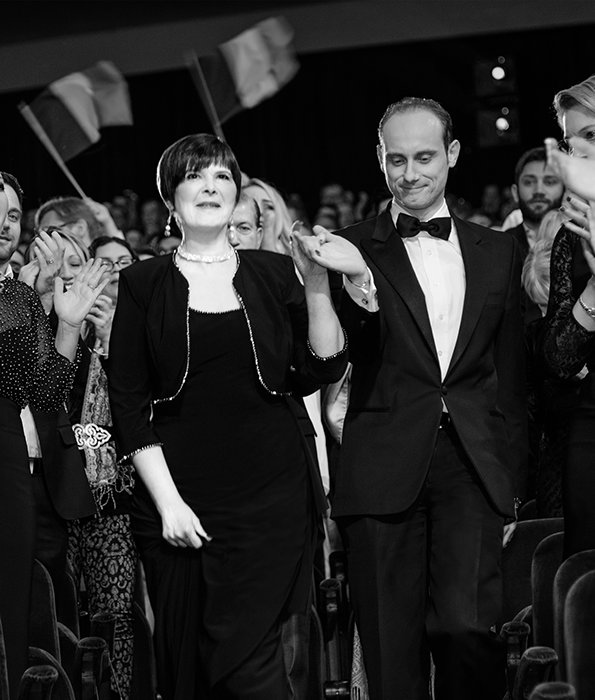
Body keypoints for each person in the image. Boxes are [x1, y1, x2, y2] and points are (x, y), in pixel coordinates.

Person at [301, 97, 527, 700]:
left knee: (467, 630)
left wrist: (510, 482)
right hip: (381, 467)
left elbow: (509, 379)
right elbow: (334, 358)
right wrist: (355, 278)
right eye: (396, 159)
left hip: (472, 467)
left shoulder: (498, 250)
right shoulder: (345, 248)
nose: (410, 173)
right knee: (390, 651)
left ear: (452, 154)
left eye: (424, 157)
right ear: (379, 159)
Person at [107, 133, 347, 699]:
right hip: (181, 502)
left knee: (255, 670)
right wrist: (168, 503)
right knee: (192, 668)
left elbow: (318, 369)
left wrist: (316, 284)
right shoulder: (142, 283)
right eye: (195, 175)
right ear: (171, 197)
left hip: (273, 500)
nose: (210, 186)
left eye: (221, 176)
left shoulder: (272, 272)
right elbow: (128, 404)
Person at [0, 171, 109, 697]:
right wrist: (26, 295)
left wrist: (66, 324)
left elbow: (44, 393)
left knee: (23, 608)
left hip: (17, 470)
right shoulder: (18, 294)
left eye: (12, 215)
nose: (4, 224)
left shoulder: (18, 295)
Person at [541, 74, 595, 558]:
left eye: (591, 135)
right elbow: (559, 358)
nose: (577, 151)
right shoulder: (569, 237)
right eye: (570, 141)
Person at [508, 147, 564, 259]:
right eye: (529, 182)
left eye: (549, 182)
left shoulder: (581, 242)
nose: (539, 191)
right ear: (515, 192)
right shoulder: (500, 244)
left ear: (565, 190)